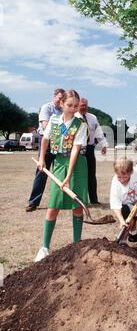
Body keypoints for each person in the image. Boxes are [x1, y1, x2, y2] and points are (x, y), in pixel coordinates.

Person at [34, 90, 88, 262]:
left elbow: (75, 150)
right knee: (53, 205)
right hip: (58, 164)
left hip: (77, 166)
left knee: (77, 205)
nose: (72, 109)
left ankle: (77, 245)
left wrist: (69, 175)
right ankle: (44, 247)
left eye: (75, 106)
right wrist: (42, 159)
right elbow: (45, 139)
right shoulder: (54, 120)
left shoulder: (81, 124)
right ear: (61, 104)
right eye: (69, 105)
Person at [25, 88, 65, 212]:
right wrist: (63, 130)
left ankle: (62, 201)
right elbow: (45, 125)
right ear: (54, 96)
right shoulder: (46, 108)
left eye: (63, 99)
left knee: (61, 172)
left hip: (60, 143)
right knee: (42, 172)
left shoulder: (64, 111)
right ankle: (33, 202)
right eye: (59, 98)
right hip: (47, 142)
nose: (60, 101)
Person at [110, 154, 137, 244]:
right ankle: (122, 241)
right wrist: (122, 221)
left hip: (134, 201)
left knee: (134, 217)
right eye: (119, 177)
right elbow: (115, 203)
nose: (122, 180)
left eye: (125, 177)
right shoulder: (115, 183)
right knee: (128, 221)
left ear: (131, 172)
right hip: (123, 205)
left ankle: (133, 235)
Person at [76, 98, 107, 205]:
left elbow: (98, 132)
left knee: (91, 175)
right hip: (77, 149)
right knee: (78, 175)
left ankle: (94, 200)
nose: (84, 107)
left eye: (85, 105)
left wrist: (103, 144)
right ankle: (78, 200)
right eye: (82, 105)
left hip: (89, 149)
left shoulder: (92, 117)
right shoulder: (73, 117)